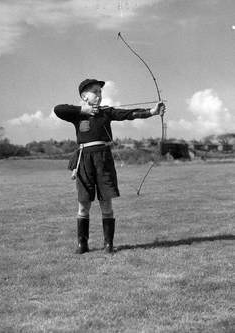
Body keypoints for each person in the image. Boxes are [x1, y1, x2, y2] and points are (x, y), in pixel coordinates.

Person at [54, 79, 165, 254]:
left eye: (100, 92)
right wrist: (84, 110)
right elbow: (58, 109)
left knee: (106, 203)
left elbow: (128, 114)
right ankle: (82, 244)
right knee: (84, 204)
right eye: (95, 92)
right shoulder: (77, 114)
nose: (99, 95)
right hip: (84, 160)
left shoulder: (106, 112)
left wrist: (151, 112)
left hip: (103, 160)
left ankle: (108, 244)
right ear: (84, 96)